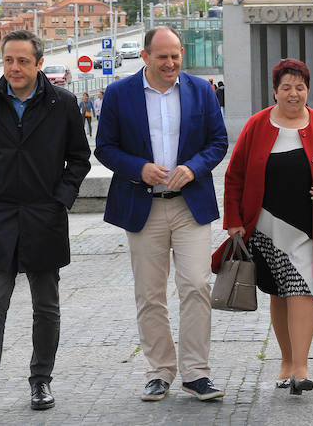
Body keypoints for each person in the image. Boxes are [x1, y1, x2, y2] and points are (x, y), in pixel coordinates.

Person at [0, 29, 91, 421]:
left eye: (23, 61)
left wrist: (60, 200)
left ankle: (40, 379)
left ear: (38, 63)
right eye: (9, 60)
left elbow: (79, 159)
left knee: (46, 307)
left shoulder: (61, 104)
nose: (14, 68)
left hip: (44, 217)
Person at [95, 26, 229, 402]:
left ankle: (196, 372)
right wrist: (138, 168)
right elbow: (104, 147)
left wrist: (195, 167)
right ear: (145, 57)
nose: (170, 63)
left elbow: (218, 142)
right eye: (162, 57)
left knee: (197, 286)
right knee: (150, 294)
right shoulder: (120, 94)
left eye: (175, 56)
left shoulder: (202, 90)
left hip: (190, 205)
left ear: (181, 54)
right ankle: (159, 371)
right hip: (143, 204)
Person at [213, 59, 313, 396]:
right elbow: (235, 177)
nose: (294, 93)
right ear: (275, 91)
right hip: (264, 225)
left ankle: (301, 368)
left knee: (301, 288)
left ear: (308, 91)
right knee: (279, 291)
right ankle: (286, 361)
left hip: (307, 227)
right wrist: (233, 222)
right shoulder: (256, 126)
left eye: (300, 87)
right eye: (286, 87)